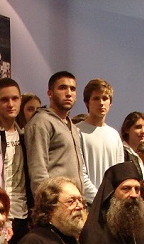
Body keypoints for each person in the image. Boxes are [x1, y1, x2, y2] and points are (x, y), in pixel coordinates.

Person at [24, 71, 97, 202]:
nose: (68, 93)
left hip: (74, 202)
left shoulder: (71, 125)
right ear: (50, 93)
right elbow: (38, 171)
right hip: (55, 204)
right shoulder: (41, 122)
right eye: (62, 88)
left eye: (72, 89)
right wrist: (47, 205)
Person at [0, 77, 30, 244]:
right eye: (4, 99)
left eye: (15, 98)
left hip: (23, 213)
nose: (10, 104)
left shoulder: (26, 135)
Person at [76, 79, 125, 191]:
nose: (101, 103)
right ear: (87, 103)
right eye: (96, 98)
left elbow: (119, 173)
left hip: (111, 198)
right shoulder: (77, 131)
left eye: (105, 98)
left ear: (110, 103)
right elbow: (80, 173)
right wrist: (97, 198)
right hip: (86, 198)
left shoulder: (114, 135)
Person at [120, 111, 144, 181]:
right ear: (126, 129)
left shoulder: (143, 156)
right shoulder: (121, 153)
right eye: (138, 127)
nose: (143, 131)